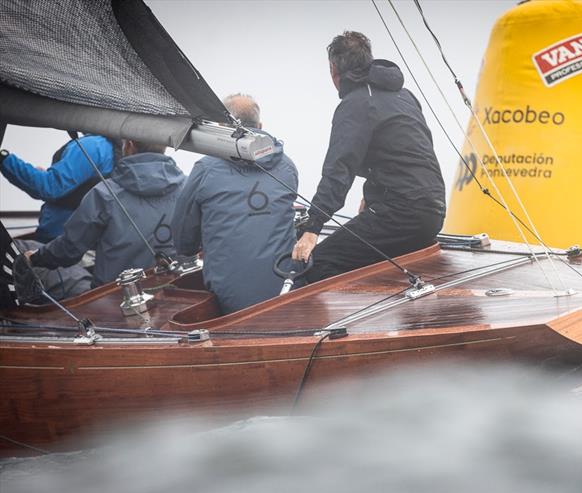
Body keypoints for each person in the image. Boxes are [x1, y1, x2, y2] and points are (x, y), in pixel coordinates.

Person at [292, 31, 446, 282]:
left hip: (401, 213)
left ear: (334, 71)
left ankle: (348, 322)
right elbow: (406, 153)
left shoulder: (356, 104)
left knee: (318, 264)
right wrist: (371, 194)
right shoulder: (405, 96)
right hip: (433, 210)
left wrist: (313, 229)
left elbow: (338, 171)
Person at [171, 94, 298, 314]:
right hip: (285, 290)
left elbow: (184, 242)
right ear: (260, 126)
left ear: (222, 127)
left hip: (230, 299)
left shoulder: (205, 168)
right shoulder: (287, 166)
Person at [25, 139, 185, 287]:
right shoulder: (187, 186)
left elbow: (69, 249)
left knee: (26, 247)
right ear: (164, 147)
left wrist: (35, 258)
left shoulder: (104, 193)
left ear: (129, 145)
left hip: (114, 296)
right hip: (178, 289)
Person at [0, 134, 118, 242]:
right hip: (91, 239)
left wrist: (4, 159)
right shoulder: (115, 149)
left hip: (62, 242)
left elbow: (49, 187)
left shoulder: (93, 146)